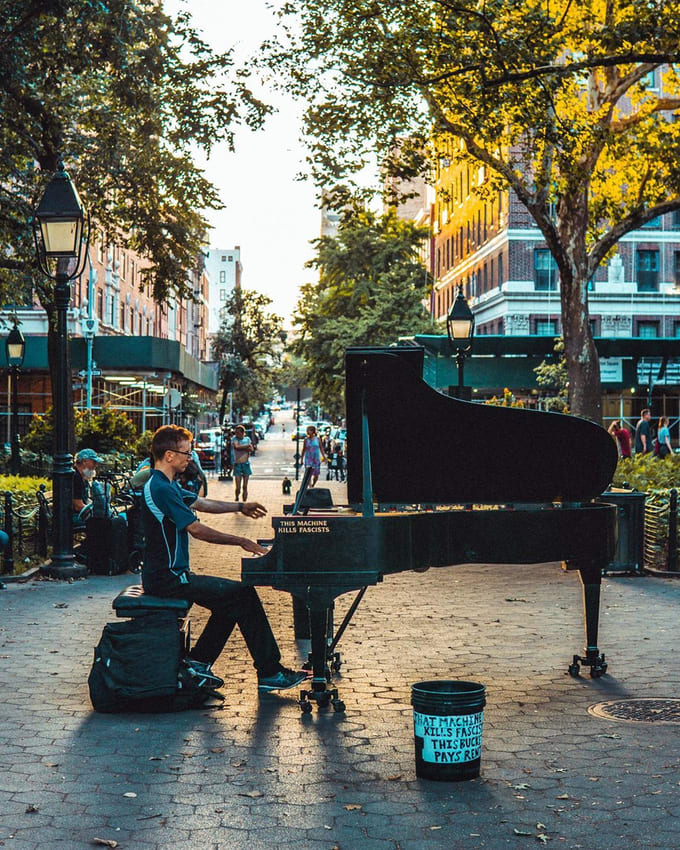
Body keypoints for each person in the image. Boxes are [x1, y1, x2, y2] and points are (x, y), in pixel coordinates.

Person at [140, 424, 309, 692]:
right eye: (186, 452)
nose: (190, 457)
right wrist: (240, 540)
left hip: (172, 575)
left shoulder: (166, 484)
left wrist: (241, 506)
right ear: (169, 455)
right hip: (167, 578)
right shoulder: (160, 488)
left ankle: (199, 663)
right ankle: (270, 672)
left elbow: (202, 504)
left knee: (233, 600)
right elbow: (196, 530)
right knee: (242, 595)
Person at [72, 448, 103, 523]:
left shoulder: (83, 477)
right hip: (72, 516)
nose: (96, 465)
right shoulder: (75, 477)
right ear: (84, 461)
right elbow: (78, 506)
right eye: (94, 462)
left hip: (78, 514)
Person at [231, 424, 254, 502]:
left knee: (245, 486)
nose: (236, 434)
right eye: (236, 432)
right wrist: (246, 446)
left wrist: (246, 447)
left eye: (238, 432)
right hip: (237, 464)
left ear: (242, 433)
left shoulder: (247, 439)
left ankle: (244, 501)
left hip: (245, 463)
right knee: (238, 486)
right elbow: (236, 447)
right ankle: (237, 496)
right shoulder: (234, 439)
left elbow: (251, 449)